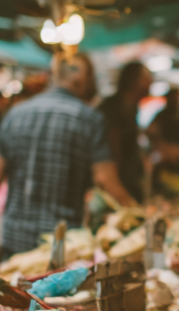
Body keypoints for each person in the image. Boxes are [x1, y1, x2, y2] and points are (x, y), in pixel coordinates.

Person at [0, 52, 134, 258]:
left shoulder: (15, 115)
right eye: (93, 77)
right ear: (80, 78)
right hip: (61, 244)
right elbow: (106, 180)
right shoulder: (89, 119)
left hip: (14, 237)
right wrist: (137, 212)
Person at [100, 61, 151, 202]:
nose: (150, 82)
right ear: (133, 81)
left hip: (130, 182)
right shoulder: (113, 107)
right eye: (146, 77)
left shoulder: (132, 108)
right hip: (117, 188)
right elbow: (111, 152)